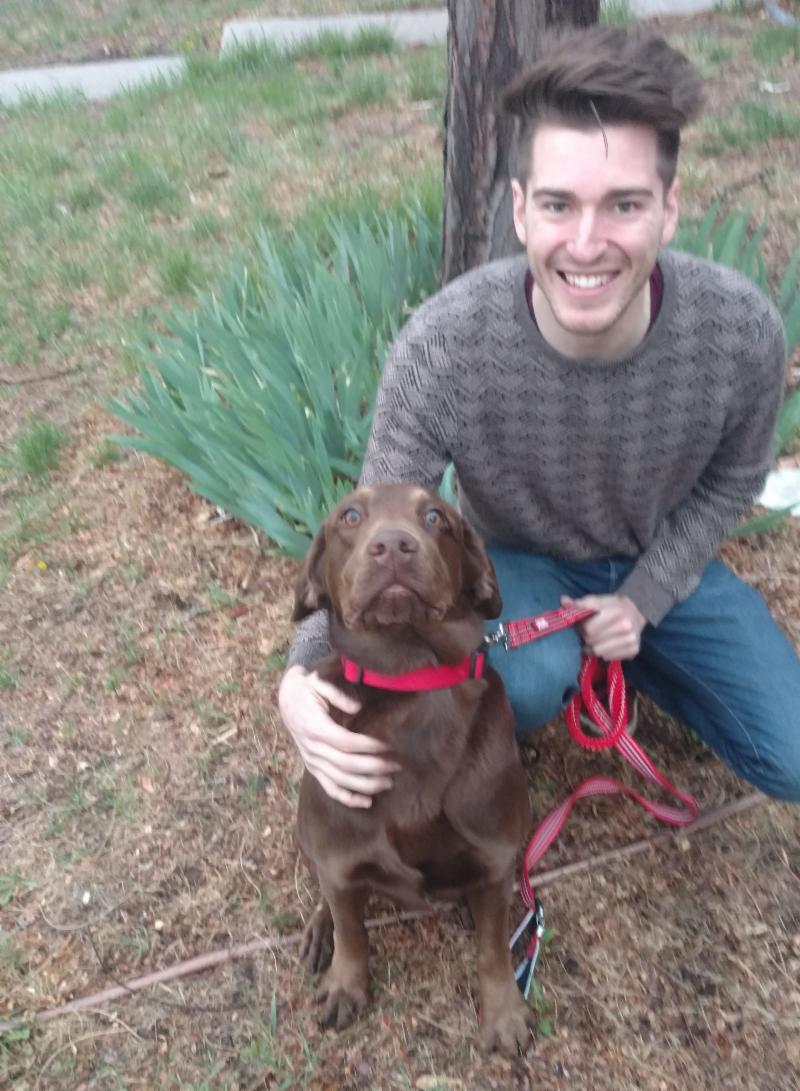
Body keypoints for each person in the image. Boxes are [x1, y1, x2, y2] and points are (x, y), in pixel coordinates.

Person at [278, 24, 800, 810]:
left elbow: (734, 480)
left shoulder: (739, 331)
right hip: (516, 567)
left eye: (624, 204)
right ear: (521, 210)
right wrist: (299, 673)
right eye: (559, 204)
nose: (586, 244)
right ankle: (565, 661)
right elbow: (377, 522)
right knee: (522, 683)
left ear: (669, 209)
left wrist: (648, 596)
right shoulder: (446, 344)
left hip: (656, 555)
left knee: (793, 758)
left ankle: (634, 653)